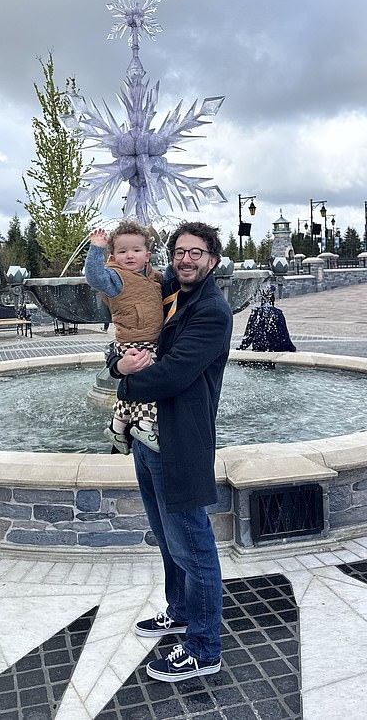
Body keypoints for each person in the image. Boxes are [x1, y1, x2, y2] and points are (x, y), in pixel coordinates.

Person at [109, 221, 232, 683]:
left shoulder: (212, 311)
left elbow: (175, 373)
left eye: (196, 254)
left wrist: (116, 380)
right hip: (147, 435)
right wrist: (116, 359)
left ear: (213, 260)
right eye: (180, 252)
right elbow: (123, 333)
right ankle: (178, 611)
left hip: (179, 439)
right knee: (166, 537)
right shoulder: (165, 291)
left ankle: (204, 647)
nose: (185, 260)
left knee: (194, 545)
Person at [85, 221, 163, 454]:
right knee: (154, 384)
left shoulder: (155, 278)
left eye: (136, 250)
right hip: (136, 342)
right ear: (114, 255)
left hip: (147, 339)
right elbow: (94, 277)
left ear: (147, 255)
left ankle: (117, 427)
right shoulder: (116, 278)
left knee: (134, 388)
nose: (129, 256)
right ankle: (144, 425)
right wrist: (96, 249)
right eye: (122, 251)